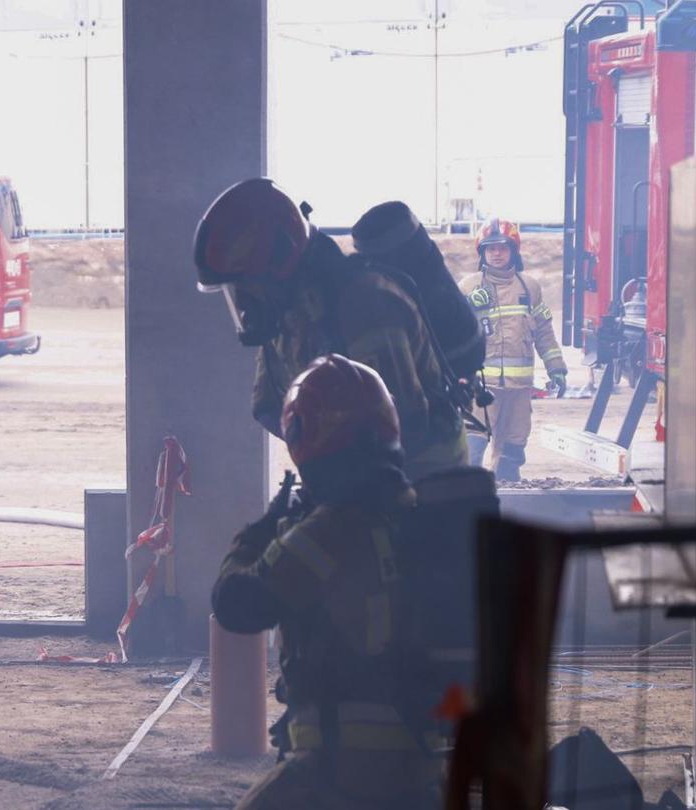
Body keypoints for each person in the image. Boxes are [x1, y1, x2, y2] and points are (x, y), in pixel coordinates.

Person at [213, 354, 440, 809]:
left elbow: (237, 604)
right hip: (423, 766)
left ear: (304, 437)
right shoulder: (413, 513)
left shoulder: (330, 530)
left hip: (343, 767)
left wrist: (256, 535)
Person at [194, 178, 466, 478]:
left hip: (428, 486)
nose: (244, 303)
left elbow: (405, 426)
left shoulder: (366, 304)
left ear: (279, 263)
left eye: (246, 288)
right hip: (358, 486)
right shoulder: (287, 315)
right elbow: (267, 405)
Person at [460, 218, 565, 482]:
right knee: (475, 436)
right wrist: (469, 307)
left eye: (503, 248)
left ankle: (507, 491)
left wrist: (557, 368)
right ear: (482, 252)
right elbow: (451, 330)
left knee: (515, 441)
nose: (496, 254)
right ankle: (469, 491)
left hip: (519, 387)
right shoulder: (468, 287)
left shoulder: (530, 288)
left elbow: (543, 330)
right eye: (490, 248)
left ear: (513, 251)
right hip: (483, 386)